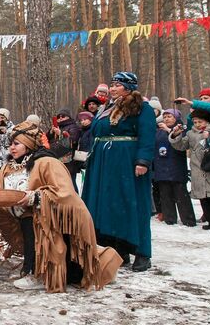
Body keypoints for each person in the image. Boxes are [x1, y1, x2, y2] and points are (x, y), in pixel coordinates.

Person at [0, 121, 122, 292]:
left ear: (29, 143)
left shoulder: (47, 163)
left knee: (66, 258)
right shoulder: (10, 167)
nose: (12, 148)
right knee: (26, 223)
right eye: (11, 144)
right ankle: (32, 269)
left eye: (16, 143)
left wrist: (35, 197)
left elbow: (64, 193)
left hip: (52, 221)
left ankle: (41, 274)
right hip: (27, 221)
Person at [81, 72, 156, 272]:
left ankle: (142, 252)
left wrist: (143, 161)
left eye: (117, 85)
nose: (113, 88)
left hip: (127, 162)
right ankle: (118, 248)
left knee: (133, 204)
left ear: (129, 87)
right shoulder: (107, 108)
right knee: (109, 205)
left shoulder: (142, 108)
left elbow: (148, 136)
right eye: (112, 85)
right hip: (105, 164)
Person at [169, 109, 210, 232]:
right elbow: (181, 146)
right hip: (198, 169)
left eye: (200, 121)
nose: (198, 124)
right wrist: (175, 135)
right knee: (204, 197)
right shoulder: (191, 133)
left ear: (208, 121)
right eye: (195, 122)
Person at [152, 109, 195, 227]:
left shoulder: (181, 128)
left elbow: (182, 142)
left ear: (176, 118)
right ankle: (169, 218)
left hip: (176, 166)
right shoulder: (158, 130)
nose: (166, 119)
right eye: (164, 117)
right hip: (161, 166)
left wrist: (169, 131)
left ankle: (188, 219)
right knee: (165, 194)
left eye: (169, 116)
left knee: (181, 194)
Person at [49, 108, 82, 191]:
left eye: (63, 116)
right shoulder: (57, 127)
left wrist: (60, 134)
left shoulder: (73, 126)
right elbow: (47, 140)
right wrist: (51, 132)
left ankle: (75, 202)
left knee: (71, 183)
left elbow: (73, 140)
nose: (60, 118)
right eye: (58, 117)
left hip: (69, 160)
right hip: (57, 158)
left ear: (68, 117)